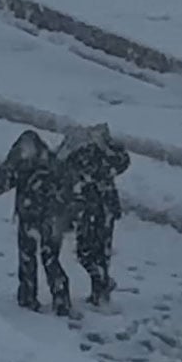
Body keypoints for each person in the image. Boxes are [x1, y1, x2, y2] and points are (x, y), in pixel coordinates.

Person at [0, 129, 72, 315]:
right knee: (51, 258)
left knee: (27, 256)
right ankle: (61, 300)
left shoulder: (20, 162)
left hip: (30, 215)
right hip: (54, 217)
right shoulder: (52, 161)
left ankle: (27, 297)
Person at [57, 123, 130, 306]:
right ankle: (102, 285)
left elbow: (122, 162)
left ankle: (100, 290)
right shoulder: (79, 155)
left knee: (96, 253)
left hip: (99, 209)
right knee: (90, 252)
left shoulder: (102, 155)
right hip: (92, 210)